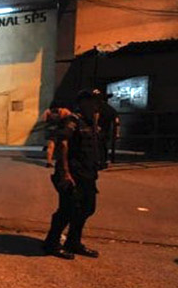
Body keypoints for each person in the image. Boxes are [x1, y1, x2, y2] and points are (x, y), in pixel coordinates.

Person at [43, 89, 102, 260]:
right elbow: (63, 144)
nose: (96, 105)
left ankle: (73, 242)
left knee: (87, 208)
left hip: (88, 173)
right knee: (67, 210)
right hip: (73, 173)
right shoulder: (72, 120)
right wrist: (65, 172)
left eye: (97, 101)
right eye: (93, 101)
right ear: (83, 102)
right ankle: (51, 243)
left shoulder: (91, 122)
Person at [92, 89, 120, 169]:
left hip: (98, 130)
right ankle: (103, 162)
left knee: (97, 146)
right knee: (104, 146)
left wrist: (95, 127)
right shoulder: (111, 109)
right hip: (107, 130)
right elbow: (117, 121)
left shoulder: (97, 107)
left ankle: (98, 162)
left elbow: (96, 117)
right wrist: (117, 133)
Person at [41, 103, 72, 168]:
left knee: (50, 146)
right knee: (64, 144)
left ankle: (49, 162)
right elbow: (70, 118)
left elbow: (43, 120)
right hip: (61, 129)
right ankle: (64, 162)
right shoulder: (64, 111)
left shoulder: (47, 111)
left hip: (51, 129)